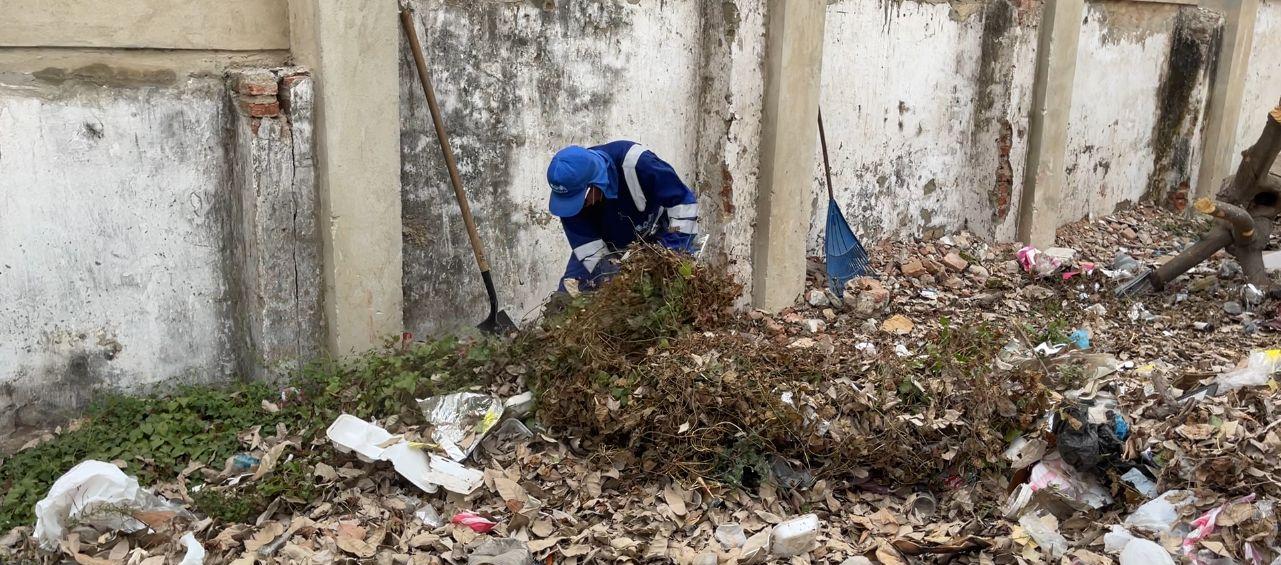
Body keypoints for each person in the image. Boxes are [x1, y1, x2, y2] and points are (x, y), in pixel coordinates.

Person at [546, 140, 699, 292]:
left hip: (657, 237)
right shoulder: (568, 195)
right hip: (607, 245)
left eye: (580, 199)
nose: (577, 207)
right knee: (565, 304)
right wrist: (615, 278)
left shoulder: (637, 163)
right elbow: (589, 250)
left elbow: (683, 204)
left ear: (594, 184)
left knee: (671, 292)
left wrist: (669, 254)